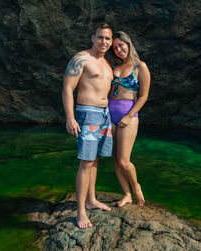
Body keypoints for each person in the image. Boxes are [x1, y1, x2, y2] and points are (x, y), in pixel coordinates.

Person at [62, 23, 114, 229]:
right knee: (86, 162)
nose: (104, 42)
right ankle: (81, 211)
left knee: (95, 160)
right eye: (100, 37)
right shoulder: (81, 58)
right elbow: (67, 88)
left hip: (105, 115)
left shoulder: (107, 64)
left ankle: (92, 200)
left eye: (108, 39)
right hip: (88, 114)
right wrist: (70, 117)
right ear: (93, 37)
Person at [107, 31, 151, 207]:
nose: (118, 49)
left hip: (128, 115)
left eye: (121, 45)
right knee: (116, 160)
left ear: (128, 43)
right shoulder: (112, 66)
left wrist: (129, 115)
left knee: (124, 160)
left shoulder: (140, 66)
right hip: (109, 114)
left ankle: (136, 187)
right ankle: (126, 194)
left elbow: (143, 97)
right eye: (115, 47)